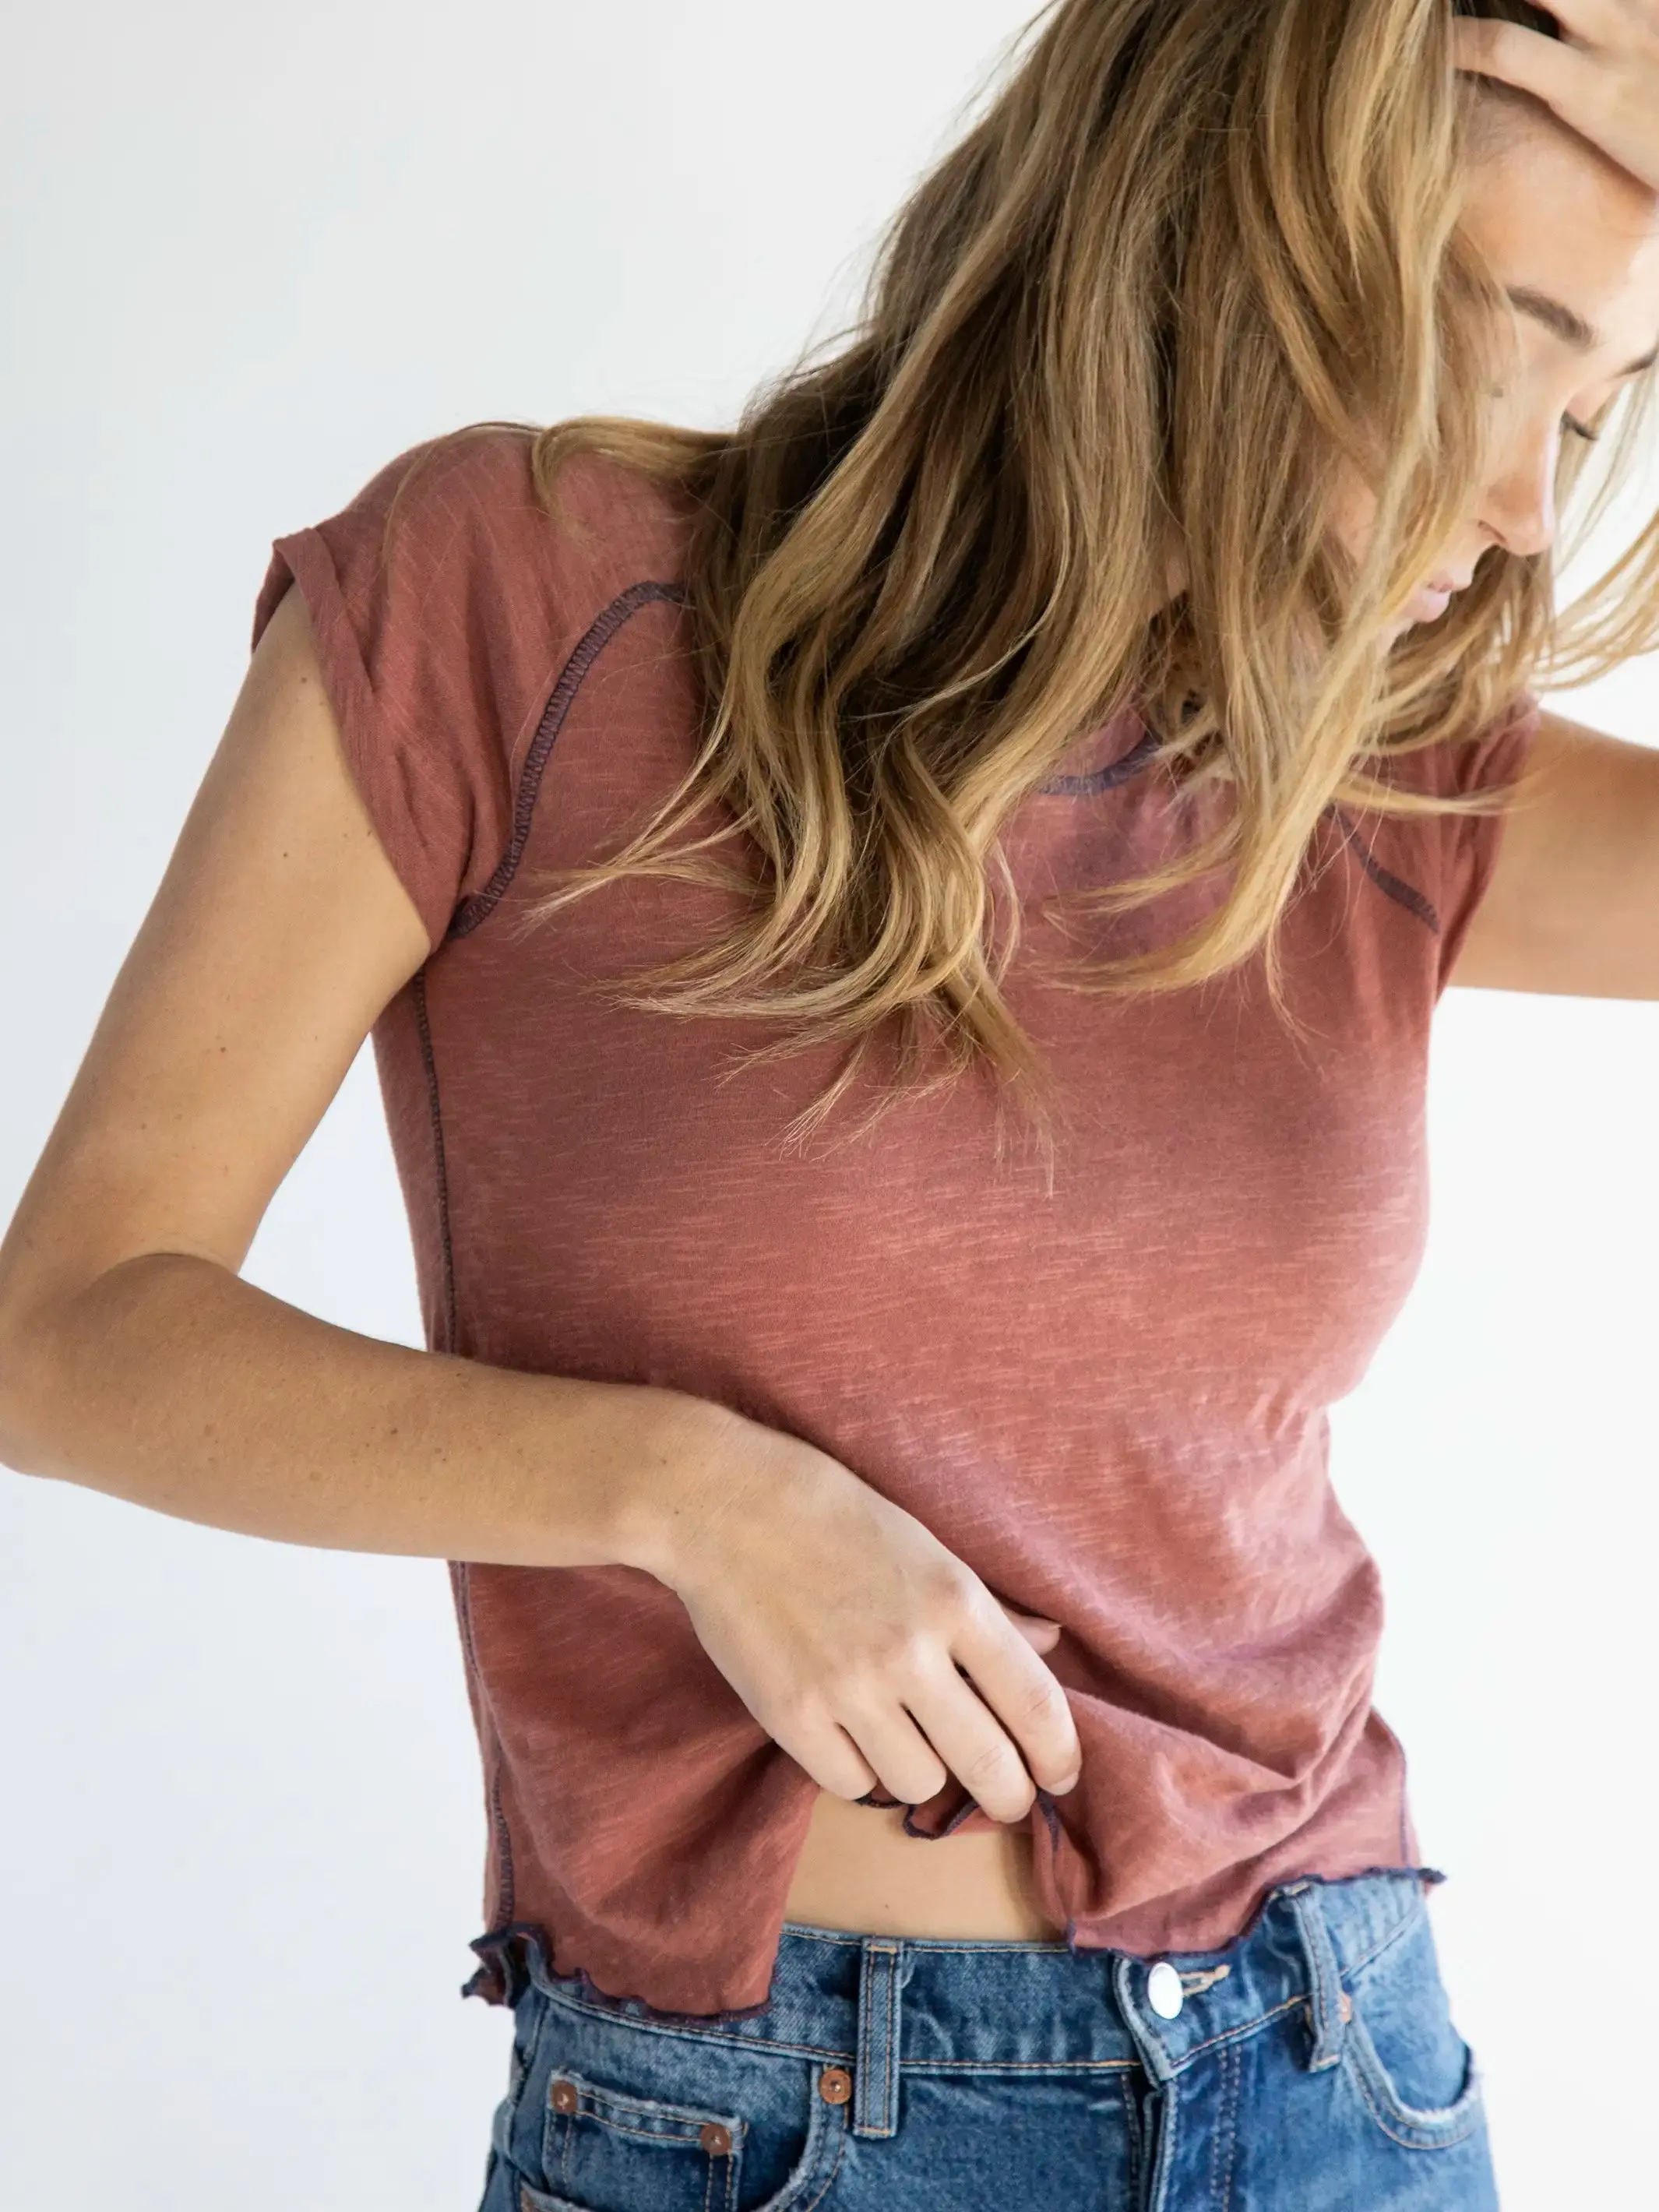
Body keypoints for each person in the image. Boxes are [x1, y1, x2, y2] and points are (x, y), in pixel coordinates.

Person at [3, 0, 1658, 2203]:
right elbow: (70, 1325)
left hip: (1329, 2076)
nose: (1531, 507)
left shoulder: (1389, 776)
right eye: (1505, 358)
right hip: (752, 2118)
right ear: (1233, 239)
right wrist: (685, 1494)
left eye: (1603, 406)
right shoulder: (519, 597)